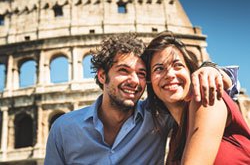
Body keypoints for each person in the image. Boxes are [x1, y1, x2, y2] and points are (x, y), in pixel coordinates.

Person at [44, 34, 239, 164]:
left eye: (141, 73)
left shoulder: (159, 116)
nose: (134, 81)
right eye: (123, 71)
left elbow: (206, 94)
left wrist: (211, 68)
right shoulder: (63, 129)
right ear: (102, 76)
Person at [143, 32, 250, 164]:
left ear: (191, 73)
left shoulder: (207, 98)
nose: (170, 74)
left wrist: (213, 68)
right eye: (159, 68)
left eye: (178, 65)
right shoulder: (174, 137)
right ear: (149, 81)